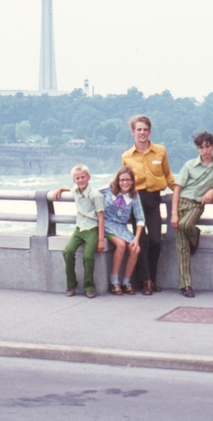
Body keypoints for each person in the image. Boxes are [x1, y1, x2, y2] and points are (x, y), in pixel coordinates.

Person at [121, 115, 175, 296]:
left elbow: (167, 175)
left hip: (153, 200)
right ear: (133, 132)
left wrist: (178, 193)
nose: (142, 133)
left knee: (155, 241)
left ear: (150, 132)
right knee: (141, 242)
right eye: (139, 130)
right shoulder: (127, 156)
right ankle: (146, 281)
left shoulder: (160, 151)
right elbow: (123, 181)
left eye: (145, 129)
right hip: (135, 201)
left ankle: (152, 278)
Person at [171, 131, 213, 297]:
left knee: (185, 225)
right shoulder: (189, 165)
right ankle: (186, 286)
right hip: (183, 202)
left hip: (197, 204)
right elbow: (177, 189)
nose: (205, 150)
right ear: (197, 149)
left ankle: (195, 234)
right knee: (182, 247)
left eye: (208, 146)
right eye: (201, 148)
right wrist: (174, 213)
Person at [53, 164, 105, 298]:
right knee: (67, 252)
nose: (80, 180)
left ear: (89, 177)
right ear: (73, 180)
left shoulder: (95, 195)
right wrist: (60, 189)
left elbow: (101, 217)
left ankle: (89, 286)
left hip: (92, 229)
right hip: (79, 228)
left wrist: (100, 240)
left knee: (88, 256)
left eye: (83, 177)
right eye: (77, 178)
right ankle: (71, 284)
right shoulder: (76, 190)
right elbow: (69, 188)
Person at [100, 165, 144, 295]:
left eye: (128, 180)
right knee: (120, 245)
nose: (125, 183)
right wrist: (63, 189)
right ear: (117, 181)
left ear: (132, 181)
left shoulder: (134, 196)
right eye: (122, 180)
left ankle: (126, 282)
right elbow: (86, 191)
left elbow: (140, 218)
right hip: (107, 225)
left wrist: (136, 239)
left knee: (135, 249)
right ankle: (114, 282)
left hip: (122, 227)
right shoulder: (108, 190)